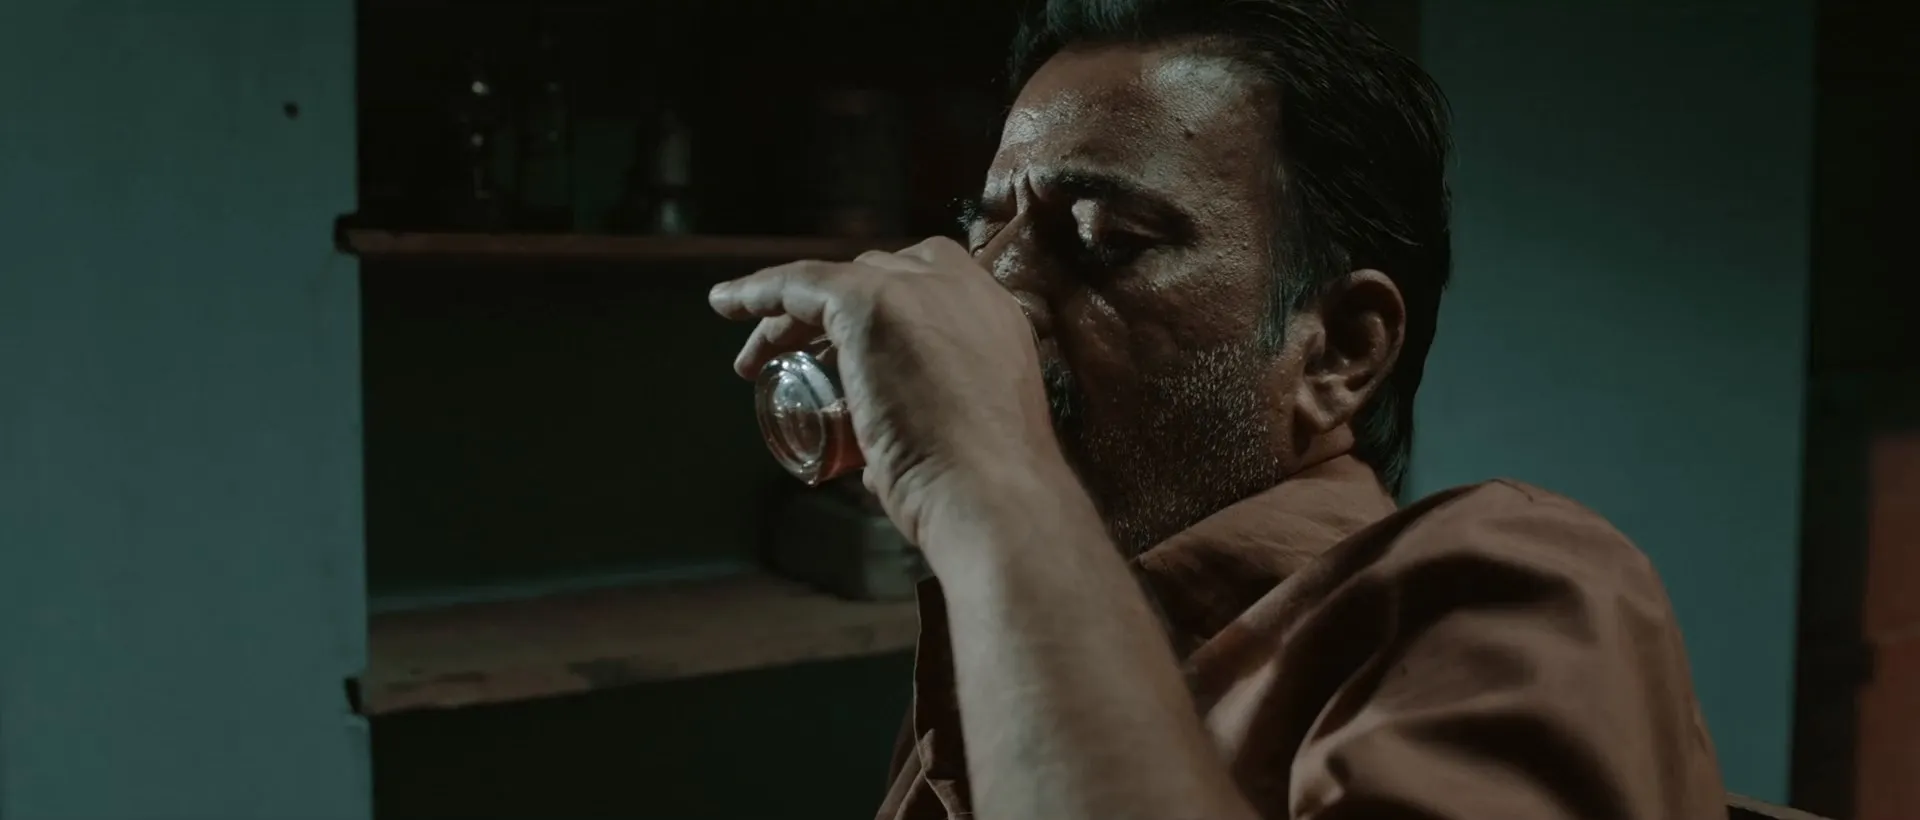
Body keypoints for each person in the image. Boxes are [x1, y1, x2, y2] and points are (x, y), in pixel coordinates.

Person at [708, 0, 1724, 817]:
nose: (993, 289)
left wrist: (988, 481)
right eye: (988, 229)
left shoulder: (1506, 595)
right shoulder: (1023, 610)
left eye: (1103, 238)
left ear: (1340, 350)